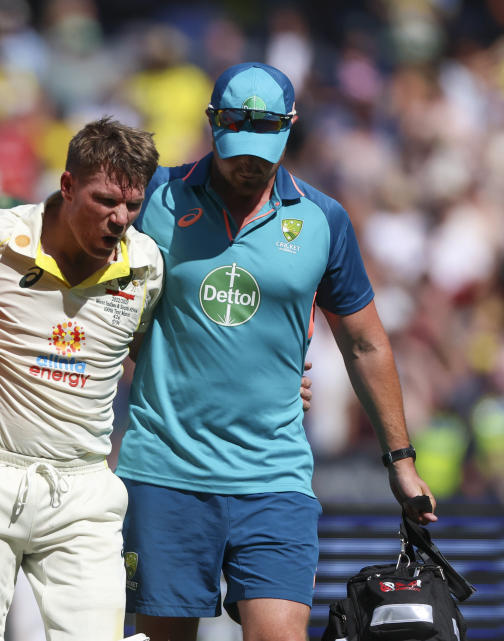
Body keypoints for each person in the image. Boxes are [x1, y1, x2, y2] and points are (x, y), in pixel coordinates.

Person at [115, 62, 436, 641]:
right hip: (166, 470)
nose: (250, 162)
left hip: (276, 476)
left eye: (266, 148)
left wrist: (401, 461)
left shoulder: (323, 220)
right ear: (212, 124)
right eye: (237, 145)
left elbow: (363, 342)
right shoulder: (155, 197)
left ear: (292, 129)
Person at [0, 117, 163, 641]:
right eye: (106, 201)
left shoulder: (146, 265)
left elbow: (163, 357)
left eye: (132, 206)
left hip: (84, 491)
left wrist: (271, 383)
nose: (120, 220)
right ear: (66, 186)